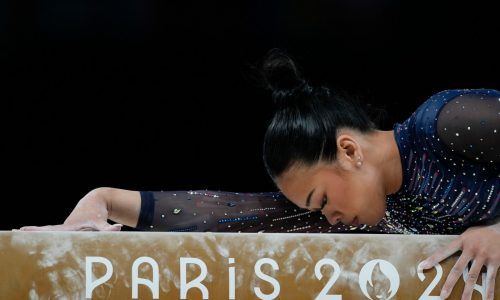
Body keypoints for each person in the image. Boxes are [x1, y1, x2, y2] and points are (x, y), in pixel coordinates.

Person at [19, 49, 499, 300]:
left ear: (348, 150)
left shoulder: (447, 123)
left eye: (320, 201)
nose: (328, 220)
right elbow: (228, 214)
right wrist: (101, 201)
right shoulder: (373, 211)